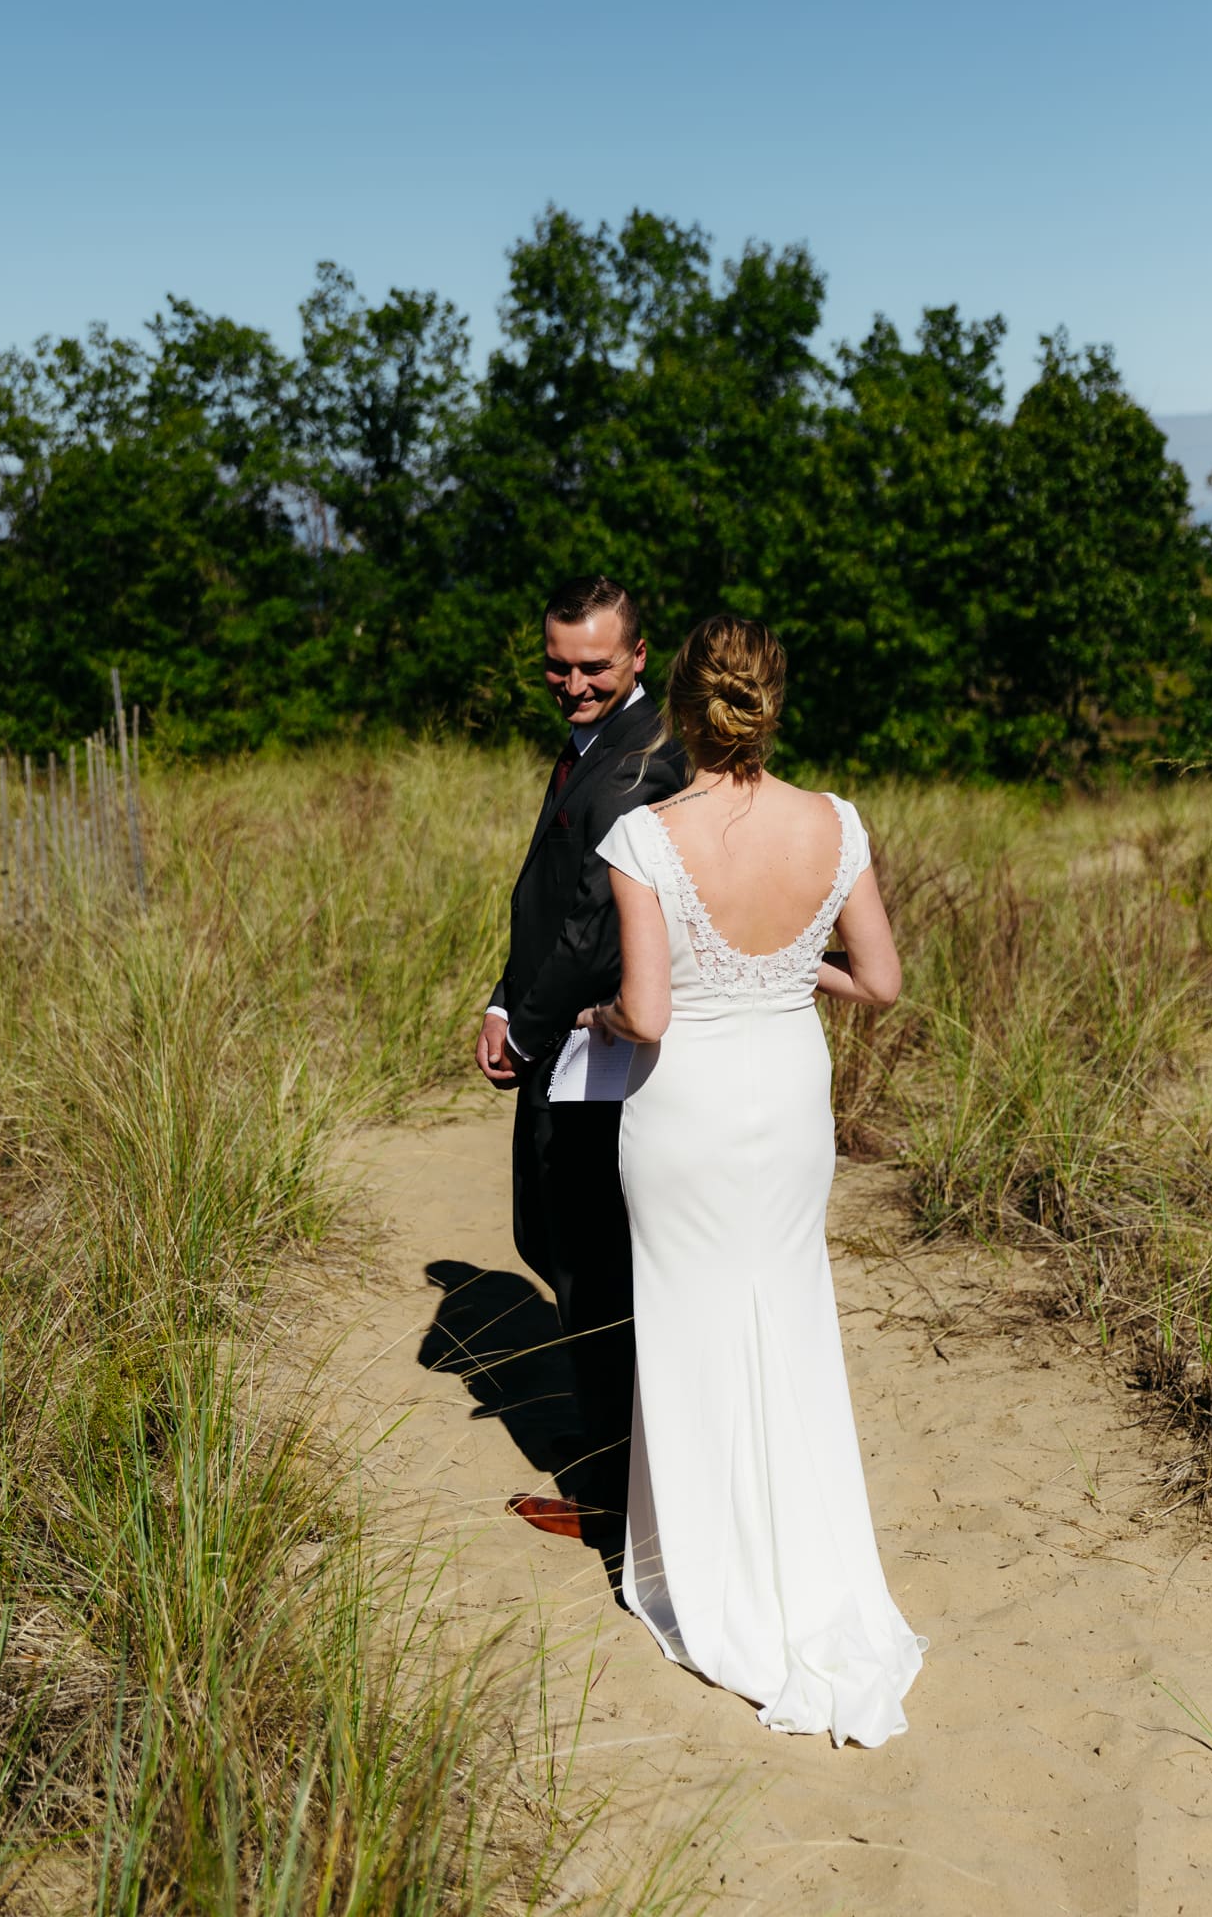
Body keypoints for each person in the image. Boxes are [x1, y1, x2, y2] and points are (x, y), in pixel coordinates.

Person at [581, 614, 926, 1746]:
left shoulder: (645, 835)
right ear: (773, 702)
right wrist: (797, 965)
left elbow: (650, 1012)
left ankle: (714, 1563)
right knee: (787, 1310)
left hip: (683, 1105)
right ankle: (809, 1555)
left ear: (678, 704)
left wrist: (593, 1014)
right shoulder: (836, 822)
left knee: (688, 1321)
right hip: (785, 1095)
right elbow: (878, 980)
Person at [475, 575, 685, 1538]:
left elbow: (596, 927)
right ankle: (618, 1473)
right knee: (553, 1245)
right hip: (556, 1040)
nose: (572, 685)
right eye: (557, 666)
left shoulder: (642, 764)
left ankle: (612, 1494)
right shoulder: (593, 748)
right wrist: (498, 996)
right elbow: (542, 897)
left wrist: (523, 1023)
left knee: (595, 1269)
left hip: (599, 1059)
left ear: (638, 657)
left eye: (593, 667)